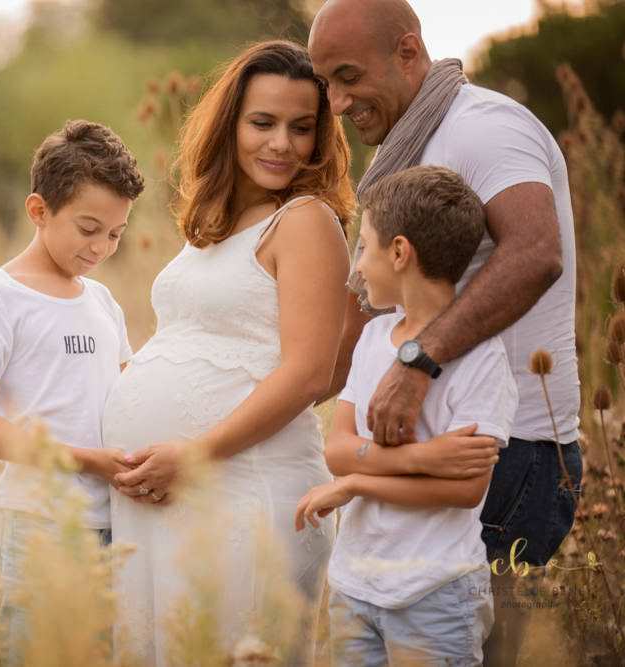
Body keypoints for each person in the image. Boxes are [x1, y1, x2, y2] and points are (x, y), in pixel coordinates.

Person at [308, 2, 582, 662]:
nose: (337, 104)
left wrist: (418, 361)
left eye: (349, 76)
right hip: (420, 452)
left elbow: (535, 252)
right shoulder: (413, 147)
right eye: (327, 84)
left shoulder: (483, 128)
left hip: (504, 452)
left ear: (408, 52)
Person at [102, 40, 355, 665]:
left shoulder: (305, 220)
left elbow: (309, 373)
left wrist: (192, 454)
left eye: (301, 128)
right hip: (168, 491)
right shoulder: (212, 227)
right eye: (262, 122)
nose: (281, 144)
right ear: (229, 126)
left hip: (244, 488)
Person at [295, 165, 518, 665]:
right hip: (355, 585)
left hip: (435, 591)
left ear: (399, 252)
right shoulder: (375, 338)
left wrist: (358, 483)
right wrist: (426, 458)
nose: (357, 267)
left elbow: (465, 489)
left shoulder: (481, 357)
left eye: (363, 247)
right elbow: (336, 450)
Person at [0, 119, 143, 665]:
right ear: (39, 210)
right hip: (41, 526)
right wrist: (88, 461)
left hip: (116, 524)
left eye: (116, 234)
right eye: (88, 228)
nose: (102, 247)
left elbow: (126, 398)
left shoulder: (102, 302)